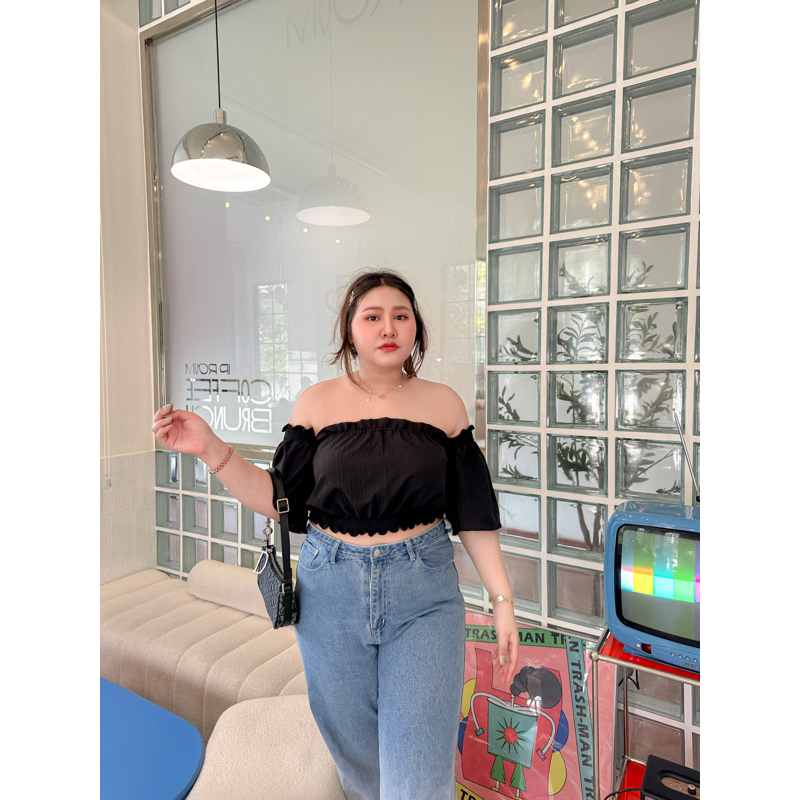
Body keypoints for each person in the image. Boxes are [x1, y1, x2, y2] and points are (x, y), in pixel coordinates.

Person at [151, 270, 519, 800]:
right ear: (350, 330)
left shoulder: (444, 404)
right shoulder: (317, 403)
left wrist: (503, 601)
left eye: (401, 316)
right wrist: (210, 447)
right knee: (357, 762)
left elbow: (473, 514)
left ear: (416, 328)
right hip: (330, 591)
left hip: (424, 592)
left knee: (418, 770)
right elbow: (279, 500)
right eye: (373, 317)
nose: (388, 327)